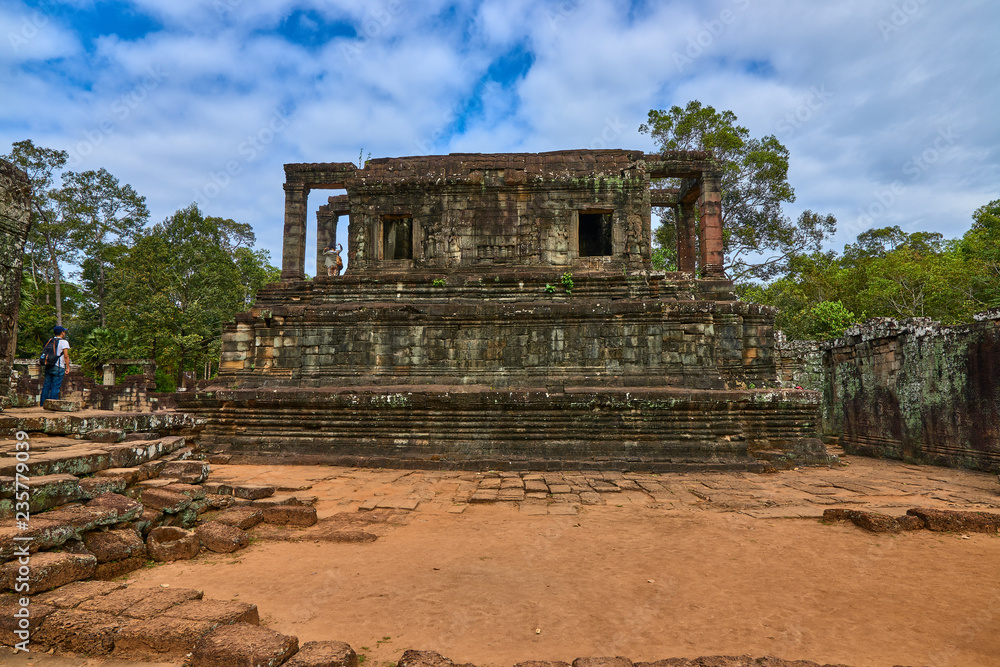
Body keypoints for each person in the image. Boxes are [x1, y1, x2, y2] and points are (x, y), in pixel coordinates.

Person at [40, 325, 70, 407]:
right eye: (64, 332)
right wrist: (68, 367)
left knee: (46, 385)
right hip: (58, 366)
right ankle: (53, 405)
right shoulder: (64, 342)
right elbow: (66, 356)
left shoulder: (49, 340)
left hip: (49, 365)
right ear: (62, 333)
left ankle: (43, 404)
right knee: (55, 386)